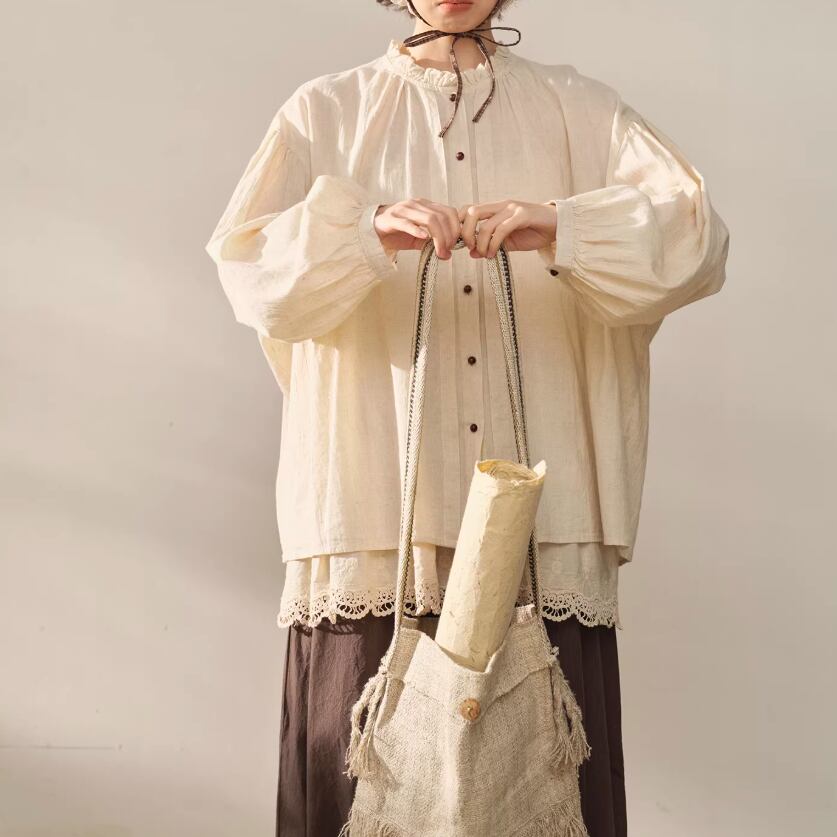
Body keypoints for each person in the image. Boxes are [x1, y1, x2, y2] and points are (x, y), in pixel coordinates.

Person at [204, 0, 730, 834]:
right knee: (355, 778)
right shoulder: (326, 112)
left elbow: (695, 239)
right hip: (373, 513)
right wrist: (363, 231)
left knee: (542, 788)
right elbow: (250, 273)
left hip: (542, 518)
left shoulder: (580, 108)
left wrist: (563, 226)